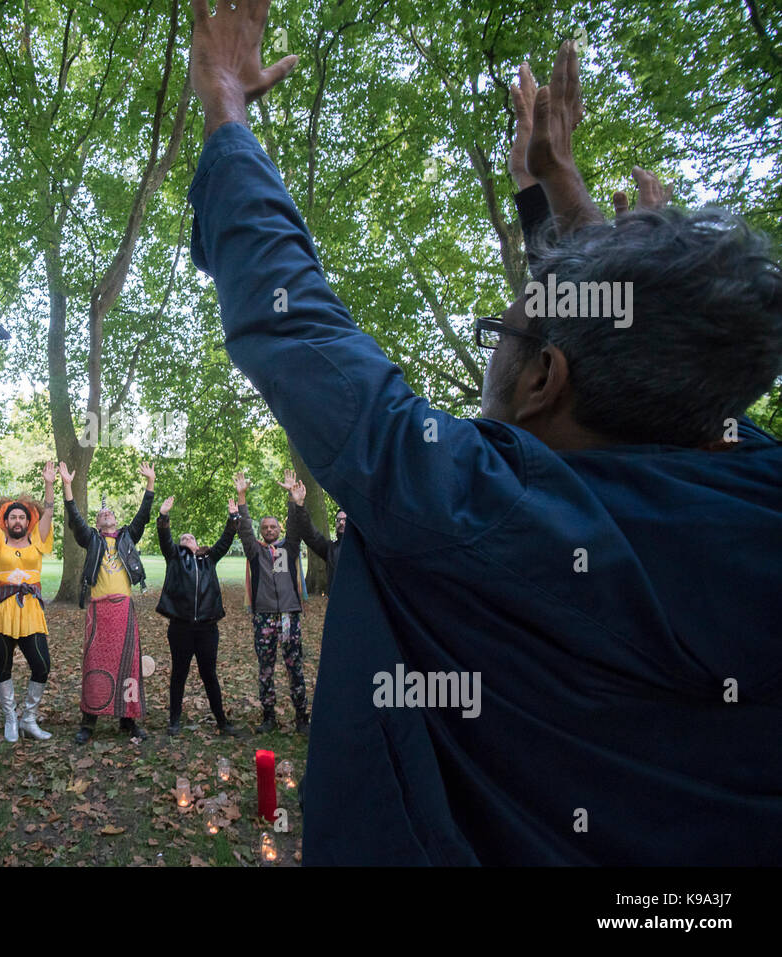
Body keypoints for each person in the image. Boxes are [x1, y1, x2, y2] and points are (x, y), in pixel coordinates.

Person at [188, 6, 782, 865]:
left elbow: (294, 321)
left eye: (504, 330)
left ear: (545, 380)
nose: (501, 344)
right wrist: (565, 211)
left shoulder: (477, 510)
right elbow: (685, 374)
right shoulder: (753, 495)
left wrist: (226, 110)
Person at [59, 461, 155, 743]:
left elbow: (143, 516)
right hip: (99, 610)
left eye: (109, 513)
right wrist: (67, 486)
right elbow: (76, 520)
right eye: (101, 514)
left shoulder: (127, 538)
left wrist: (150, 483)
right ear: (98, 524)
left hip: (124, 610)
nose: (106, 515)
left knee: (129, 666)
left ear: (115, 519)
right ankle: (89, 722)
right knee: (94, 664)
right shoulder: (92, 540)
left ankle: (128, 720)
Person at [0, 458, 56, 743]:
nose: (17, 521)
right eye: (12, 517)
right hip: (1, 610)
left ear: (28, 521)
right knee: (3, 667)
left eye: (22, 517)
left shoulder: (38, 541)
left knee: (42, 665)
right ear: (6, 521)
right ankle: (10, 719)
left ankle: (28, 718)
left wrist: (49, 485)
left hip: (31, 611)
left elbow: (48, 513)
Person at [155, 492, 242, 736]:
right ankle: (174, 720)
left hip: (207, 628)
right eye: (183, 537)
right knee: (179, 674)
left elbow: (226, 539)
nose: (187, 539)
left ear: (197, 544)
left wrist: (233, 517)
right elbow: (164, 537)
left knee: (209, 675)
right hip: (180, 627)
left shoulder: (208, 559)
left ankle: (222, 721)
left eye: (190, 537)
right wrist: (163, 516)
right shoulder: (174, 557)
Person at [234, 470, 309, 735]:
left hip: (289, 615)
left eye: (273, 527)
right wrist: (242, 498)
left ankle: (302, 718)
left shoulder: (289, 548)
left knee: (294, 668)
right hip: (264, 616)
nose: (268, 530)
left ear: (279, 530)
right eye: (265, 527)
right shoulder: (255, 551)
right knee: (265, 669)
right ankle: (269, 717)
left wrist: (292, 497)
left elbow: (297, 527)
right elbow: (244, 529)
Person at [282, 472, 344, 589]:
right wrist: (299, 504)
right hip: (337, 604)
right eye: (338, 520)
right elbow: (310, 534)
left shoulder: (363, 547)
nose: (341, 523)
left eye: (345, 520)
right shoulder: (331, 550)